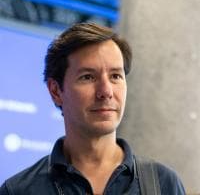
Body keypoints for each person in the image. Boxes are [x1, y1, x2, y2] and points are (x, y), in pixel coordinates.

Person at [0, 23, 185, 195]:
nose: (106, 91)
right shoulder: (20, 190)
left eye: (115, 76)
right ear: (56, 91)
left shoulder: (163, 184)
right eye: (88, 77)